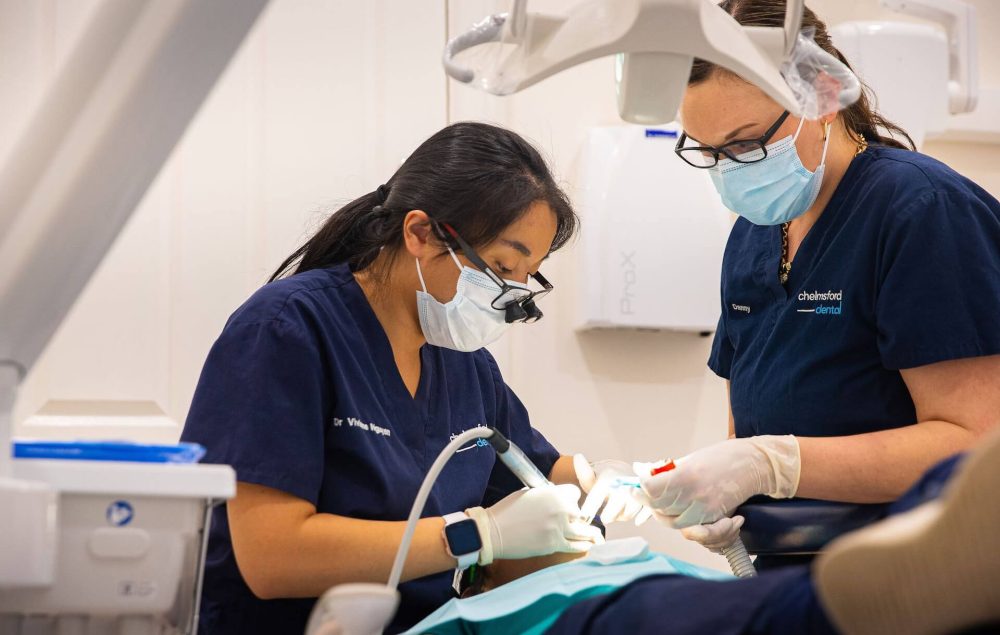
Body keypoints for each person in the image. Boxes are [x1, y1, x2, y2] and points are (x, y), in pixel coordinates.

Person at [582, 0, 1000, 561]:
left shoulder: (921, 211)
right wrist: (700, 486)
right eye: (707, 151)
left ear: (824, 97)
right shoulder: (752, 237)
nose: (730, 170)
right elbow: (749, 432)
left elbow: (975, 444)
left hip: (915, 579)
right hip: (784, 575)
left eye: (746, 143)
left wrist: (769, 465)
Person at [180, 122, 607, 634]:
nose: (509, 298)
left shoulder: (464, 365)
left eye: (524, 276)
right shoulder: (287, 330)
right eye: (500, 265)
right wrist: (477, 534)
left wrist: (610, 481)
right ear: (420, 233)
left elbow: (535, 475)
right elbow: (272, 556)